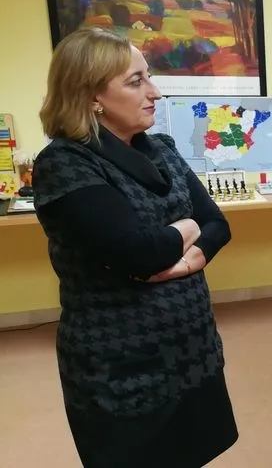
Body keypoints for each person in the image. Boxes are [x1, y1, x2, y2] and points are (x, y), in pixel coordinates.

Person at [30, 27, 237, 467]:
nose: (155, 92)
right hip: (123, 371)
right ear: (91, 96)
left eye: (150, 77)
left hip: (191, 352)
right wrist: (186, 224)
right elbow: (138, 253)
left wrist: (180, 261)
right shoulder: (65, 163)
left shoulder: (162, 148)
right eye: (136, 81)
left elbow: (218, 224)